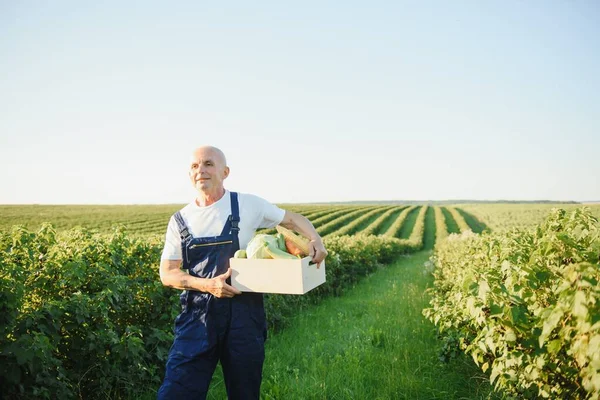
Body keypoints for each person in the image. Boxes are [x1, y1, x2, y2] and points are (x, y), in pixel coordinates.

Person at [157, 145, 327, 399]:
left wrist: (316, 240)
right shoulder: (181, 219)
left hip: (244, 318)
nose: (200, 170)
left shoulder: (247, 205)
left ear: (225, 172)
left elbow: (291, 220)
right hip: (198, 317)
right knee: (177, 391)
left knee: (244, 393)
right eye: (195, 166)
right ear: (189, 174)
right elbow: (168, 273)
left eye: (208, 164)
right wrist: (207, 285)